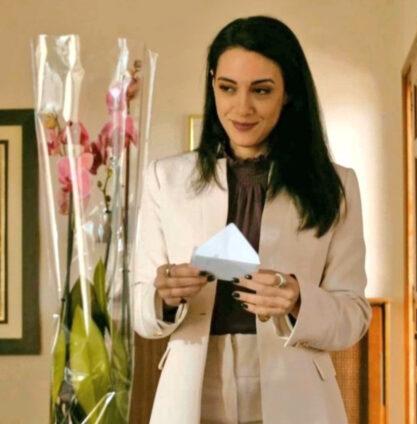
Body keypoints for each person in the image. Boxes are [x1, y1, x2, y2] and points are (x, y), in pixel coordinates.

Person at [132, 15, 371, 424]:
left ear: (288, 93)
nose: (241, 108)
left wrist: (298, 299)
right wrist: (163, 298)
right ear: (212, 84)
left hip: (296, 391)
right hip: (193, 390)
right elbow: (140, 314)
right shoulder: (164, 180)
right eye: (228, 88)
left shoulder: (337, 186)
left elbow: (354, 316)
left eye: (261, 90)